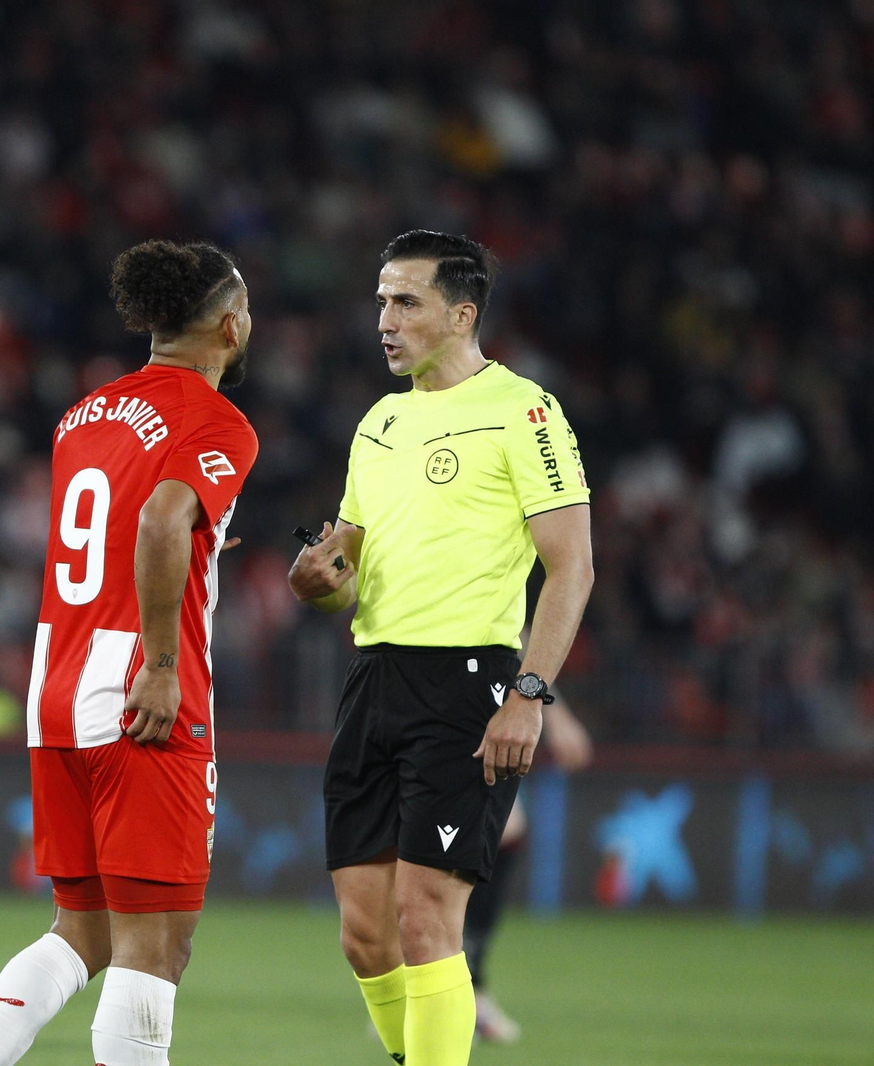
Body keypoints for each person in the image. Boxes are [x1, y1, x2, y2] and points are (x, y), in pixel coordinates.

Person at [287, 230, 594, 1066]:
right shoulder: (380, 421)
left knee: (427, 920)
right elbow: (347, 564)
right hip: (373, 678)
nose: (384, 319)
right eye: (382, 301)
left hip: (470, 683)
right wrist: (320, 579)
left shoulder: (523, 410)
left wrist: (528, 696)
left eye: (406, 301)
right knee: (365, 937)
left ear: (462, 314)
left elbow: (573, 568)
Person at [0, 239, 259, 1066]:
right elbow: (161, 521)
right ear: (230, 326)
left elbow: (120, 527)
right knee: (157, 945)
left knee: (80, 931)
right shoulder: (215, 419)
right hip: (137, 690)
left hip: (57, 681)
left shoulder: (83, 414)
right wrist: (162, 666)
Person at [465, 683, 593, 1043]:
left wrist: (550, 709)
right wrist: (555, 713)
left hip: (473, 684)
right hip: (423, 685)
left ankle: (460, 986)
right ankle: (431, 990)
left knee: (502, 830)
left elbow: (516, 634)